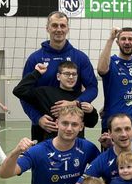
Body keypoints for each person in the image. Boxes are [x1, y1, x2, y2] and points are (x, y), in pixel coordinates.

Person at [22, 11, 98, 142]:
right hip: (44, 126)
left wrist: (75, 103)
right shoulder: (35, 59)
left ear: (68, 29)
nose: (58, 29)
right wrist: (37, 118)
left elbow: (93, 88)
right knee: (41, 155)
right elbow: (24, 94)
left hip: (71, 124)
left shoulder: (80, 58)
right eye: (54, 25)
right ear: (47, 28)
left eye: (62, 26)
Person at [13, 61, 99, 139]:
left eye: (74, 74)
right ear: (58, 76)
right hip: (50, 143)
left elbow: (91, 123)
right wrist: (37, 73)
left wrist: (91, 111)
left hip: (75, 144)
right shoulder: (45, 93)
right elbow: (18, 91)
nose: (71, 77)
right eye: (67, 74)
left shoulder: (81, 97)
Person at [98, 27, 132, 137]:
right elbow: (101, 70)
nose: (127, 42)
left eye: (130, 39)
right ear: (118, 42)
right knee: (111, 149)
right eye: (123, 39)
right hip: (113, 121)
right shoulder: (111, 61)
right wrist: (110, 39)